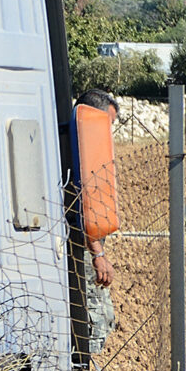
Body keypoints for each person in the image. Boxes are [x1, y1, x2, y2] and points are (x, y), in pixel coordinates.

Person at [76, 89, 120, 355]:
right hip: (83, 251)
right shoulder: (84, 151)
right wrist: (98, 254)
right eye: (108, 124)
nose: (109, 131)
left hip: (88, 248)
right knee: (95, 322)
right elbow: (82, 205)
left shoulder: (82, 147)